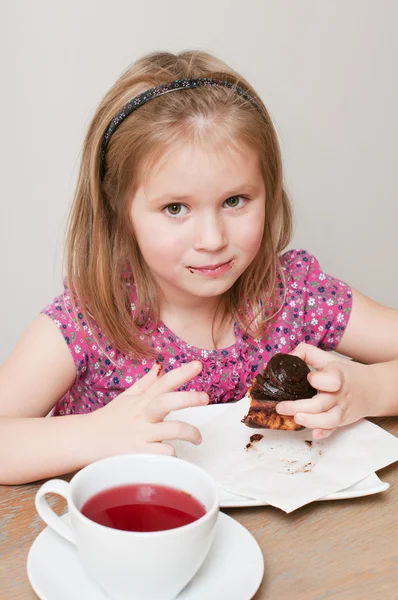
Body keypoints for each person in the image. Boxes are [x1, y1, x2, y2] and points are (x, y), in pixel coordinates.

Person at [1, 50, 397, 486]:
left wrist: (369, 390)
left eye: (235, 201)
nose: (212, 239)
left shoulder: (296, 296)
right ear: (120, 211)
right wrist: (94, 434)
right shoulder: (88, 322)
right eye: (175, 208)